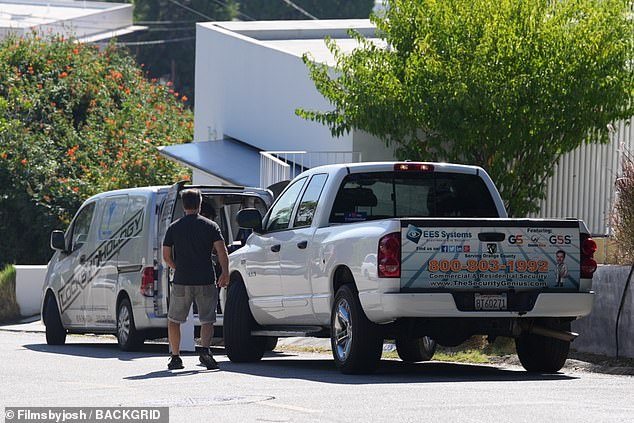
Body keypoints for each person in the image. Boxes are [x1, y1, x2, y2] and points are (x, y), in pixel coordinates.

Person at [162, 189, 229, 370]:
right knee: (207, 319)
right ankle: (205, 352)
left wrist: (178, 267)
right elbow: (222, 252)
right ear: (199, 204)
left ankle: (175, 357)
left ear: (183, 205)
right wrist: (225, 273)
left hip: (182, 280)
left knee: (174, 320)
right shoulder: (211, 226)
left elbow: (166, 256)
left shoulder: (174, 227)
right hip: (206, 279)